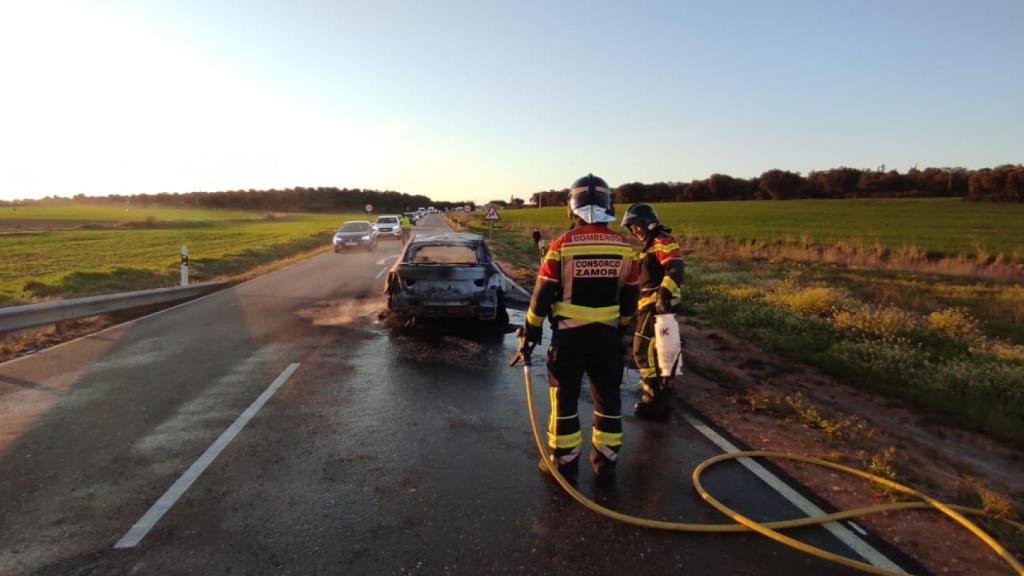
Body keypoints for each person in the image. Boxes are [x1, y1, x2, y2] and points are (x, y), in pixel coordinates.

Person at [522, 174, 640, 480]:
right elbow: (630, 298)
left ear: (571, 207)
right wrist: (622, 330)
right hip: (607, 340)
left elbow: (542, 295)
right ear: (608, 205)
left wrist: (531, 330)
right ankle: (606, 464)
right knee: (609, 402)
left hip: (569, 341)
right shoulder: (625, 248)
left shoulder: (561, 245)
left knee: (564, 403)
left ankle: (564, 465)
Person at [620, 203, 684, 421]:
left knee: (642, 351)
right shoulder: (650, 245)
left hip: (656, 306)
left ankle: (652, 398)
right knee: (665, 353)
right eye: (631, 227)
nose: (634, 231)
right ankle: (664, 398)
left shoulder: (661, 240)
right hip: (659, 306)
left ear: (647, 222)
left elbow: (675, 267)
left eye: (636, 225)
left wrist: (663, 295)